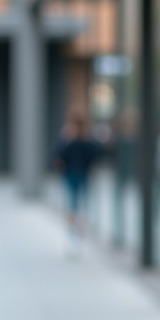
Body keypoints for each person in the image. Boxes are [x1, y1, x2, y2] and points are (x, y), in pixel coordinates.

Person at [53, 109, 103, 255]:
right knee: (74, 205)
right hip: (71, 174)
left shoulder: (86, 137)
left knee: (77, 206)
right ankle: (74, 238)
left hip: (80, 174)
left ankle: (77, 238)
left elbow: (94, 155)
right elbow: (57, 155)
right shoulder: (67, 135)